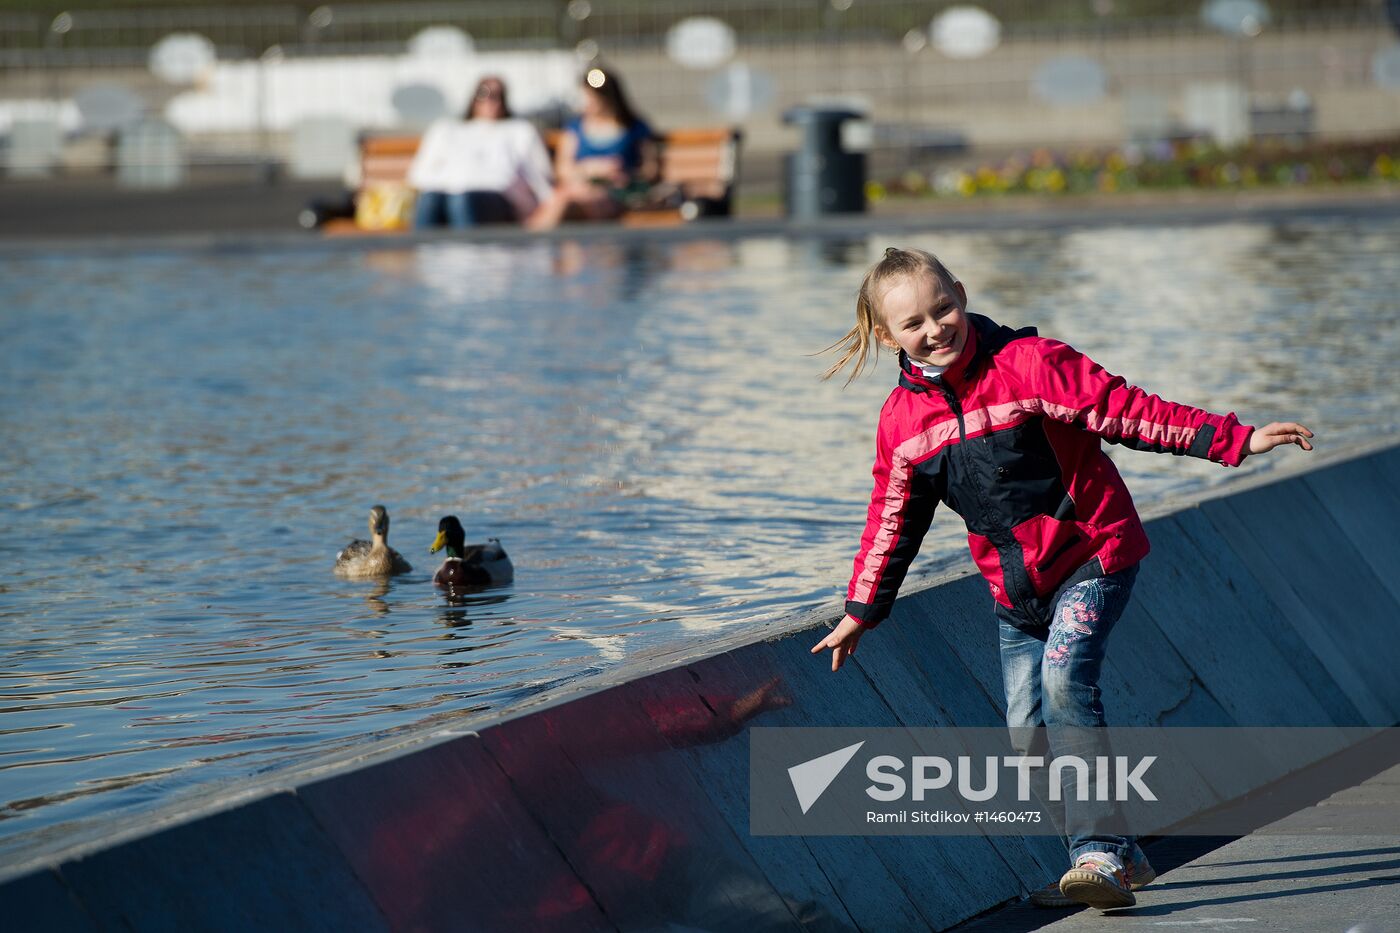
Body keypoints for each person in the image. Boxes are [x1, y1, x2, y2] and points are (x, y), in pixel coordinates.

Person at [810, 247, 1314, 911]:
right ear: (886, 336)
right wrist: (861, 609)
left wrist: (1232, 440)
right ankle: (1123, 853)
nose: (935, 328)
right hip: (1016, 595)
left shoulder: (1029, 364)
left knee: (1064, 677)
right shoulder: (904, 424)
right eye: (914, 323)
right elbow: (892, 521)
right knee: (1026, 736)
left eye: (944, 308)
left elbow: (1124, 409)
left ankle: (1096, 852)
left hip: (1092, 555)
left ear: (961, 292)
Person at [407, 76, 553, 229]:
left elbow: (539, 177)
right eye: (484, 93)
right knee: (431, 199)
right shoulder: (446, 130)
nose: (491, 101)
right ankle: (423, 252)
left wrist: (542, 210)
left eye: (498, 96)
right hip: (447, 195)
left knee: (461, 201)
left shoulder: (519, 130)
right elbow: (418, 175)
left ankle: (470, 252)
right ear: (473, 97)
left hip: (497, 198)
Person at [526, 66, 658, 230]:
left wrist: (623, 174)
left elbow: (650, 169)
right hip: (577, 189)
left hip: (615, 194)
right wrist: (589, 169)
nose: (586, 101)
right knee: (561, 199)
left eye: (590, 96)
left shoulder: (633, 127)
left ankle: (532, 246)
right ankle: (535, 243)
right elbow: (562, 169)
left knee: (563, 202)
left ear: (605, 97)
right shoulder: (576, 127)